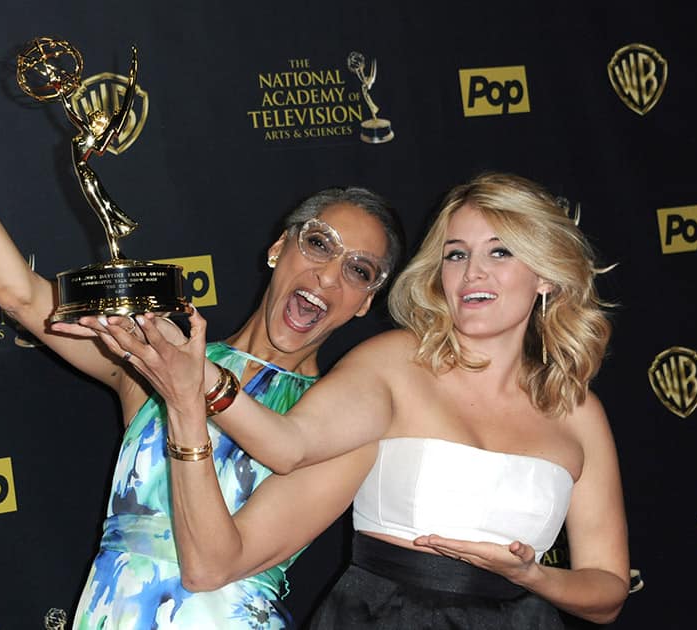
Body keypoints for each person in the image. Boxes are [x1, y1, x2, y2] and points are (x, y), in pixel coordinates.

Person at [0, 3, 405, 628]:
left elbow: (213, 567)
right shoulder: (159, 355)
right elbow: (19, 294)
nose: (328, 275)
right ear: (279, 247)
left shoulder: (341, 430)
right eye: (319, 244)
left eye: (358, 270)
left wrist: (189, 399)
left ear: (366, 302)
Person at [92, 172, 629, 628]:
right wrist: (200, 377)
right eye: (456, 254)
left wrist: (531, 575)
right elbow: (288, 445)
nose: (473, 274)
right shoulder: (397, 361)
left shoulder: (579, 411)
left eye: (500, 252)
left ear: (545, 277)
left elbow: (606, 589)